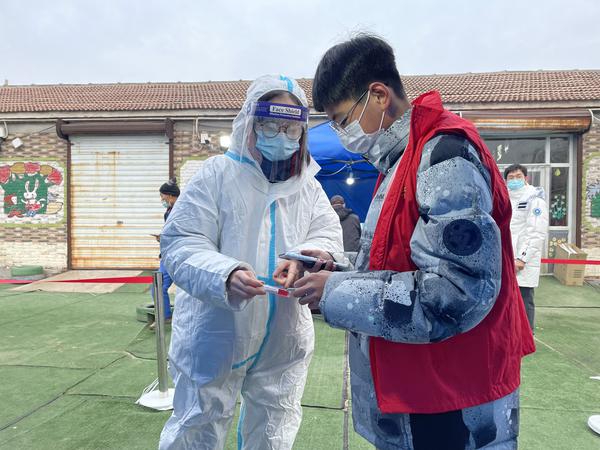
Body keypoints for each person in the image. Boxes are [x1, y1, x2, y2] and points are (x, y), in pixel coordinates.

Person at [292, 35, 535, 449]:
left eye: (342, 119)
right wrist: (336, 268)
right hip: (423, 387)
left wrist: (334, 292)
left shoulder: (444, 156)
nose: (342, 133)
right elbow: (399, 261)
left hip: (452, 398)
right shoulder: (403, 160)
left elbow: (456, 292)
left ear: (378, 96)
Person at [158, 74, 343, 449]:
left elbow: (327, 234)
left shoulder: (308, 186)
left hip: (284, 335)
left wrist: (308, 257)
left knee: (275, 427)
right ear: (250, 123)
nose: (281, 136)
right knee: (197, 425)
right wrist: (225, 274)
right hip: (216, 330)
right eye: (270, 125)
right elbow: (180, 243)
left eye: (291, 128)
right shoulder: (217, 175)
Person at [505, 164, 548, 331]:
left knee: (523, 299)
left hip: (522, 260)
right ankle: (511, 335)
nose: (514, 180)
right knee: (506, 300)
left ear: (526, 178)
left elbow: (536, 232)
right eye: (511, 177)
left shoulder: (534, 198)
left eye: (518, 176)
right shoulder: (505, 197)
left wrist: (522, 258)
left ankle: (526, 335)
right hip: (506, 257)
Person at [150, 178, 180, 329]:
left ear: (170, 195)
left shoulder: (180, 211)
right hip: (168, 253)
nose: (161, 199)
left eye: (162, 196)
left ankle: (164, 316)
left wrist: (165, 239)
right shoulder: (169, 211)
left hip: (175, 254)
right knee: (157, 286)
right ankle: (165, 315)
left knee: (158, 287)